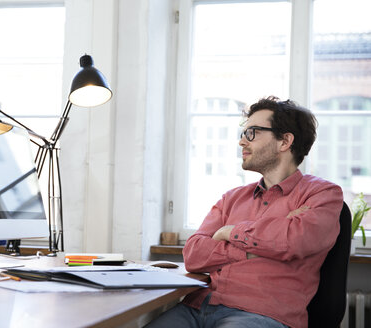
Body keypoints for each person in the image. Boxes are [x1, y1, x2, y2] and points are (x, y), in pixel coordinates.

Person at [146, 96, 343, 328]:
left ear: (284, 141)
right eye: (243, 133)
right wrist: (254, 249)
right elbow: (193, 254)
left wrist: (229, 232)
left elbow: (294, 240)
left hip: (262, 315)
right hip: (196, 308)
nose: (242, 141)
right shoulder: (232, 197)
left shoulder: (323, 194)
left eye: (252, 133)